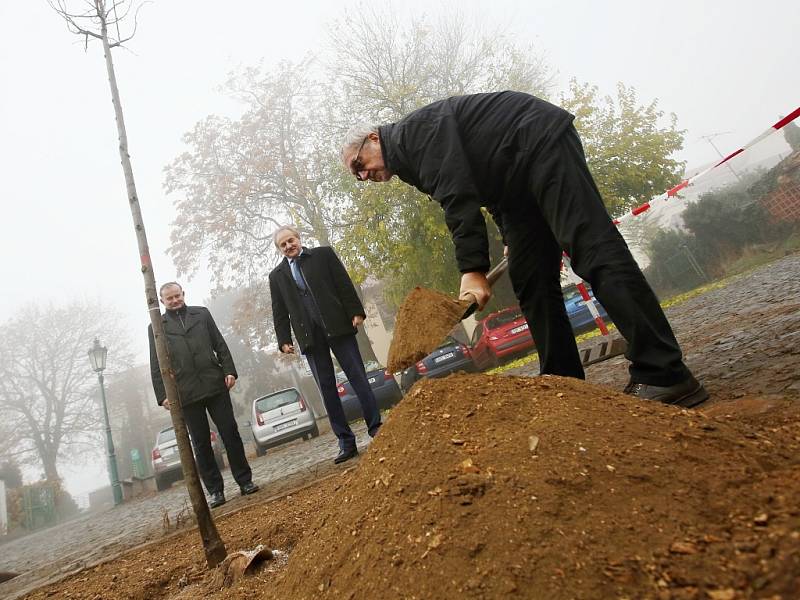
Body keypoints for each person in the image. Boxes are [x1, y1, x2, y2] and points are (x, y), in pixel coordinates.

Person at [340, 90, 708, 408]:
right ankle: (563, 381)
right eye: (356, 177)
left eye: (359, 164)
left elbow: (458, 197)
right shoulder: (407, 161)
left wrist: (472, 269)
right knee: (530, 277)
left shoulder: (412, 134)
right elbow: (485, 184)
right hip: (513, 180)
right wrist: (511, 236)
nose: (362, 175)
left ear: (374, 138)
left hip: (537, 141)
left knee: (592, 249)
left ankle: (664, 371)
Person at [269, 226, 382, 463]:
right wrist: (284, 340)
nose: (289, 246)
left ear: (298, 239)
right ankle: (346, 442)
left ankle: (376, 428)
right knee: (328, 390)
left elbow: (343, 283)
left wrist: (355, 311)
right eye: (283, 244)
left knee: (358, 378)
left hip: (338, 325)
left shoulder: (323, 255)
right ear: (279, 249)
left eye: (291, 240)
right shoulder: (277, 276)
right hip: (310, 337)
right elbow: (279, 311)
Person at [149, 282, 259, 508]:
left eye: (177, 296)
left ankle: (245, 481)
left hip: (214, 383)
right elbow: (156, 363)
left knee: (230, 433)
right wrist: (162, 395)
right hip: (185, 393)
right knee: (201, 444)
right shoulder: (156, 327)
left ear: (183, 294)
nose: (174, 300)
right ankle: (215, 491)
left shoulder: (202, 313)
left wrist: (229, 370)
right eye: (169, 298)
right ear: (162, 301)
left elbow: (219, 343)